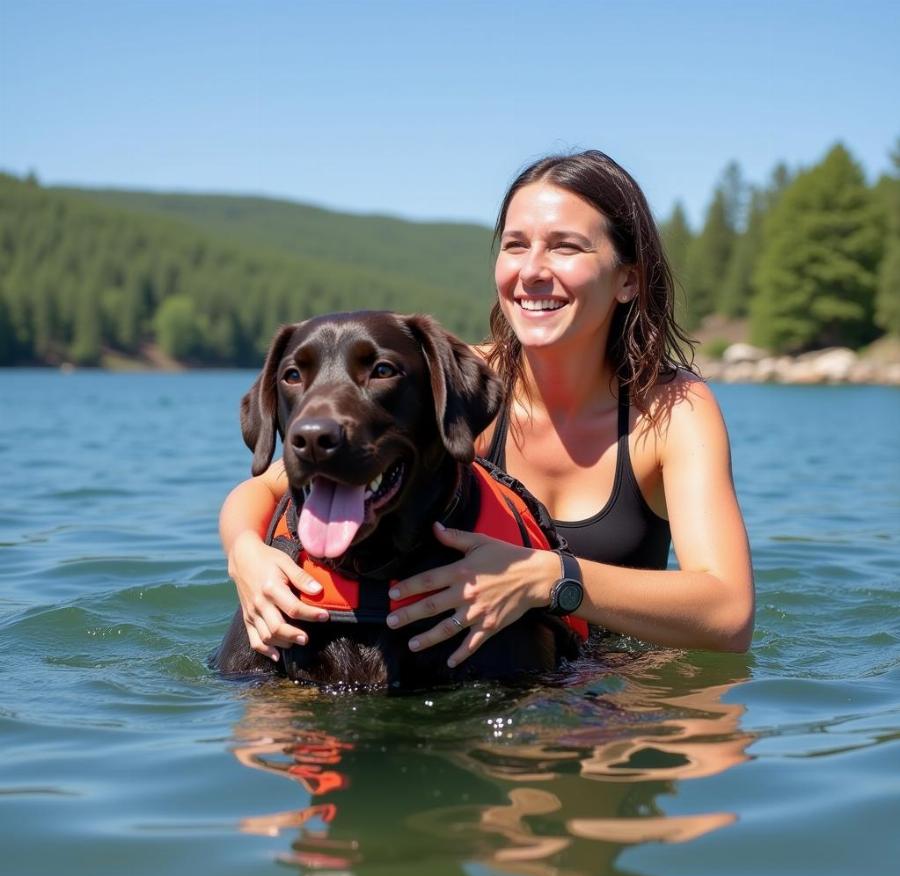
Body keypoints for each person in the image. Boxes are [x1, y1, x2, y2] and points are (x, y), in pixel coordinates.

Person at [219, 150, 754, 665]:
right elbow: (262, 489)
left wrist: (548, 578)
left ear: (628, 279)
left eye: (565, 247)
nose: (533, 271)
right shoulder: (457, 384)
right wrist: (246, 555)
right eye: (516, 245)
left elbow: (729, 616)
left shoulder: (671, 411)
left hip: (614, 689)